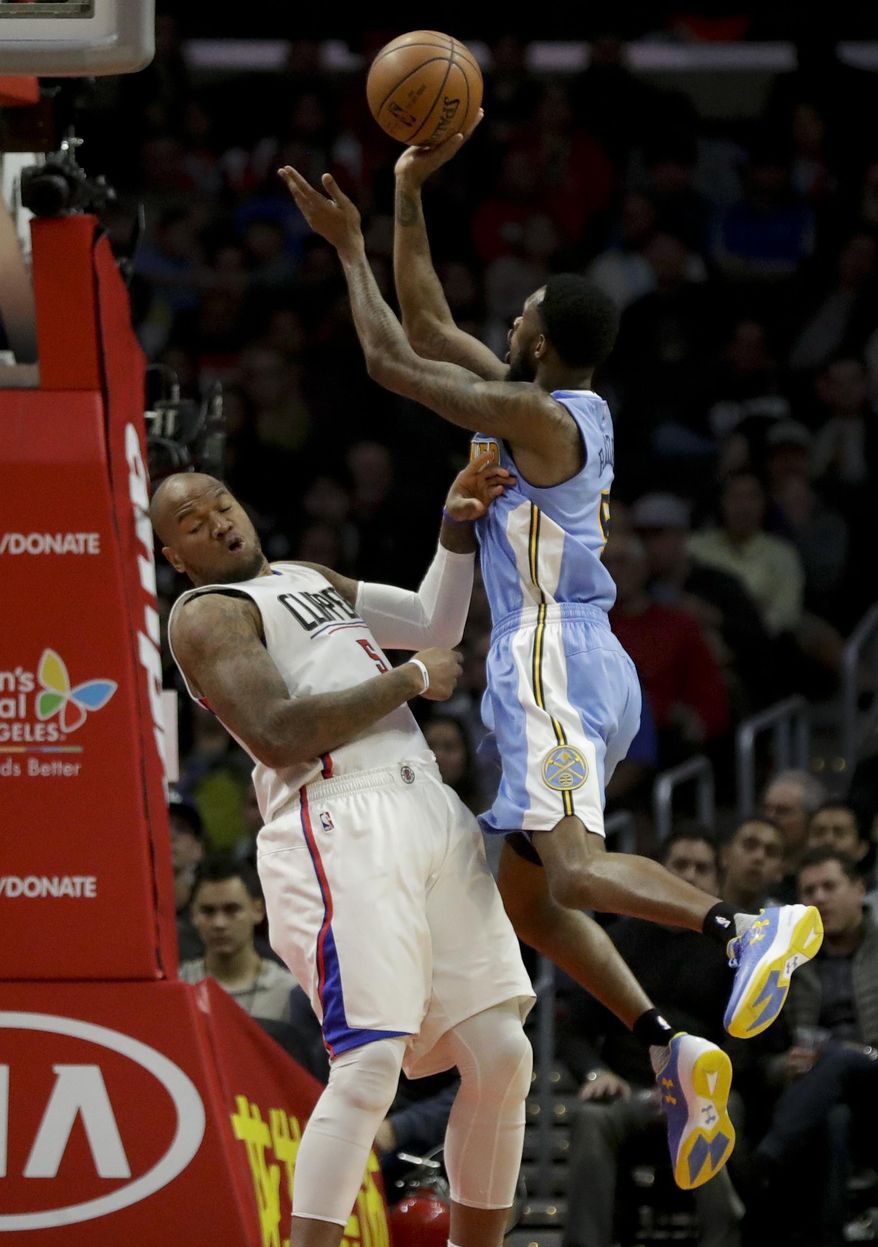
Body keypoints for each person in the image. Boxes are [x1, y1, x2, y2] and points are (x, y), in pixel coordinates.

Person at [276, 134, 822, 1070]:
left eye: (522, 313)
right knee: (532, 898)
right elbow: (425, 319)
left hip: (549, 658)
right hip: (580, 657)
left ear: (544, 340)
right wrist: (407, 191)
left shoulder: (538, 417)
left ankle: (744, 927)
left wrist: (347, 250)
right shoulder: (549, 406)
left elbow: (391, 365)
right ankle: (668, 1050)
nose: (510, 319)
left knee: (569, 869)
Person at [151, 456, 539, 1247]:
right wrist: (404, 684)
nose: (220, 521)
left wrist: (454, 526)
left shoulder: (303, 572)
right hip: (338, 816)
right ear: (176, 557)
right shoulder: (206, 612)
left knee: (504, 1052)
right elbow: (279, 732)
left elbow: (434, 623)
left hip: (424, 799)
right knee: (368, 1067)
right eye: (193, 523)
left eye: (222, 503)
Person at [559, 828, 744, 1247]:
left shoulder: (734, 946)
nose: (691, 875)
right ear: (658, 874)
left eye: (702, 868)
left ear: (718, 881)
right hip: (631, 1089)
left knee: (723, 1110)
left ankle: (725, 1240)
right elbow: (573, 1030)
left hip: (708, 1088)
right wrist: (594, 1072)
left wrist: (698, 1086)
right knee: (591, 1116)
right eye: (679, 865)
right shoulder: (619, 938)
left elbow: (750, 1038)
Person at [746, 847, 878, 1247]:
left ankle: (766, 1160)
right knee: (833, 1118)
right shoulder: (785, 961)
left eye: (829, 886)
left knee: (839, 1057)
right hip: (818, 1099)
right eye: (809, 891)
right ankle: (828, 1236)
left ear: (858, 889)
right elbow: (758, 1056)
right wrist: (783, 1066)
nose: (819, 897)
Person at [179, 857, 297, 1021]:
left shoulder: (289, 993)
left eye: (232, 910)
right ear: (193, 915)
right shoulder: (179, 987)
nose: (219, 923)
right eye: (208, 911)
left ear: (258, 910)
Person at [168, 786, 206, 961]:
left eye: (182, 828)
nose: (170, 834)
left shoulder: (214, 909)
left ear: (199, 848)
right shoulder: (124, 911)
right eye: (160, 824)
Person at [720, 817, 785, 914]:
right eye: (749, 845)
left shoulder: (788, 924)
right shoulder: (699, 911)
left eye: (771, 852)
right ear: (725, 855)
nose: (759, 857)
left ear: (780, 871)